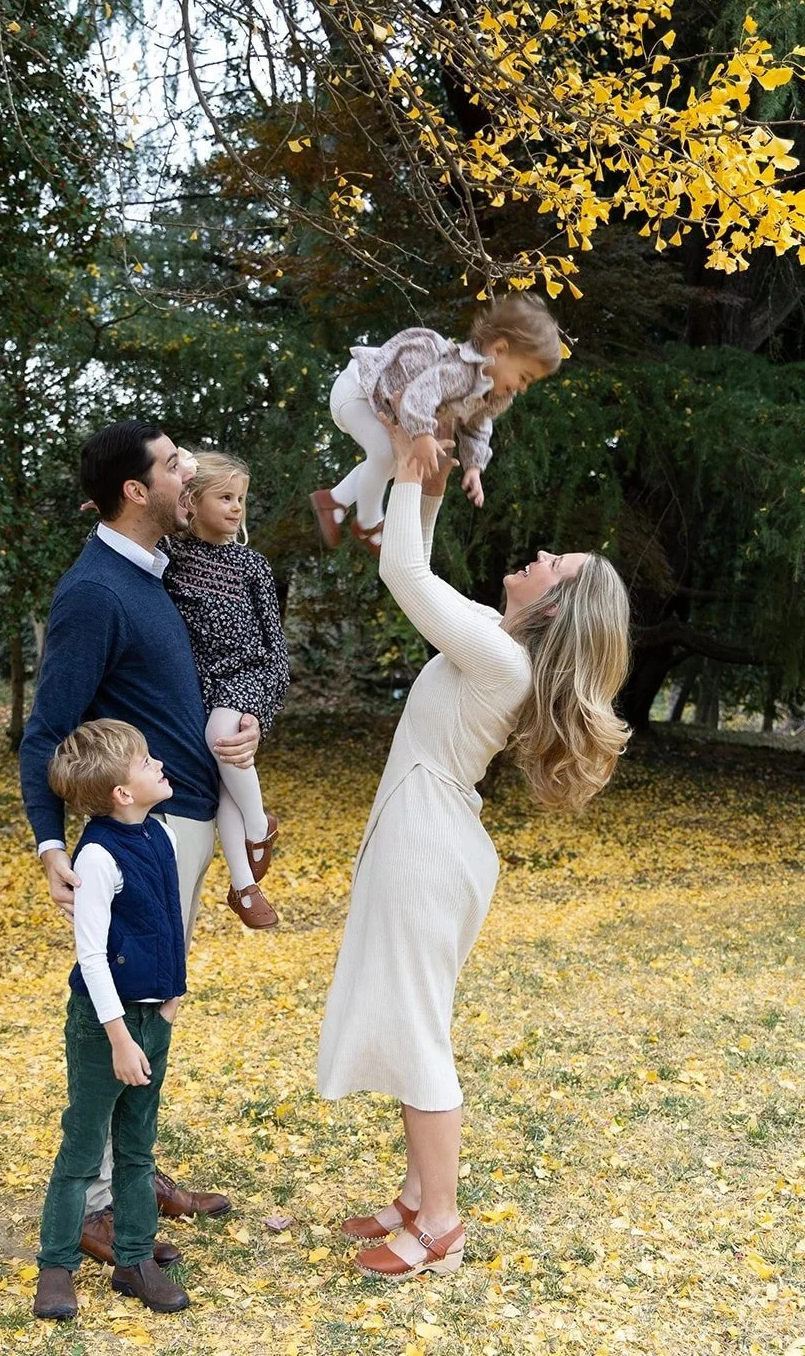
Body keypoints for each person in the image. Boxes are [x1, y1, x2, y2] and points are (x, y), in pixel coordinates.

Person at [316, 419, 631, 1281]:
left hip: (428, 844)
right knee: (419, 1018)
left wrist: (417, 475)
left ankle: (441, 1226)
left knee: (419, 1032)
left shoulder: (499, 656)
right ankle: (417, 1196)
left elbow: (402, 570)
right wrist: (430, 476)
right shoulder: (496, 639)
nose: (534, 557)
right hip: (430, 836)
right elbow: (419, 568)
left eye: (550, 565)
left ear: (555, 604)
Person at [19, 421, 261, 1266]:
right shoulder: (95, 591)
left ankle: (131, 1174)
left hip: (183, 824)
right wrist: (51, 845)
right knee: (118, 999)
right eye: (171, 464)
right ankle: (92, 1201)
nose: (186, 472)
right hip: (142, 833)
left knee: (156, 1004)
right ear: (136, 489)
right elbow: (46, 731)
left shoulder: (156, 574)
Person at [34, 720, 189, 1321]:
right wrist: (120, 1037)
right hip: (105, 1027)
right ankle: (56, 1264)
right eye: (148, 760)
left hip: (153, 1017)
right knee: (83, 1144)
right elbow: (91, 955)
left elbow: (170, 922)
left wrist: (172, 998)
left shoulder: (162, 835)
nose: (160, 764)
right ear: (122, 792)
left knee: (137, 1146)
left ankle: (133, 1258)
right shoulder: (97, 854)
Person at [309, 293, 562, 556]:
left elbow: (478, 427)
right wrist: (422, 435)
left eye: (529, 383)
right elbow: (419, 394)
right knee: (386, 453)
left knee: (395, 461)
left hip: (374, 404)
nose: (522, 387)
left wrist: (474, 466)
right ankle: (368, 524)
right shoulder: (459, 370)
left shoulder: (493, 395)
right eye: (524, 376)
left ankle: (333, 501)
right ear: (499, 350)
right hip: (359, 388)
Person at [161, 451, 290, 929]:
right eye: (226, 497)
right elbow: (123, 536)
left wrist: (265, 703)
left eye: (242, 499)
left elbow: (274, 644)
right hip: (205, 681)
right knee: (223, 778)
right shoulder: (171, 556)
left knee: (223, 736)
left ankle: (260, 826)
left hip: (250, 673)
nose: (238, 508)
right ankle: (242, 885)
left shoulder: (251, 564)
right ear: (191, 501)